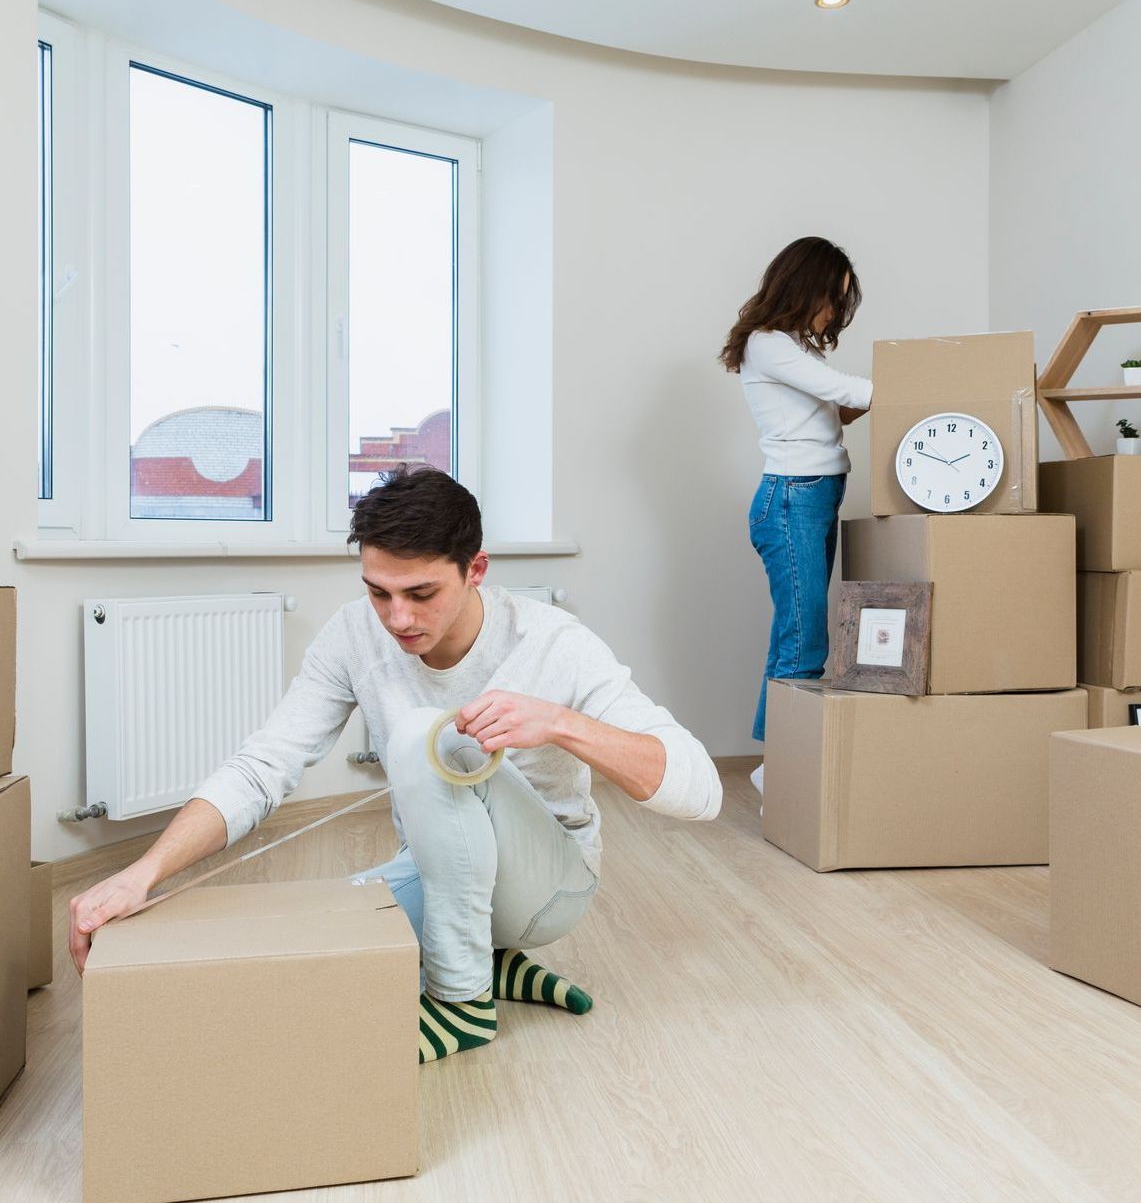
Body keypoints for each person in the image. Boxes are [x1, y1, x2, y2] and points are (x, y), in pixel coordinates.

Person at [69, 466, 722, 1063]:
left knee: (420, 736)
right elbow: (263, 766)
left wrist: (562, 723)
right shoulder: (355, 634)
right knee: (307, 946)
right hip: (445, 876)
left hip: (552, 887)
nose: (397, 618)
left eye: (420, 592)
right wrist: (142, 873)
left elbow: (700, 790)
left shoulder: (554, 643)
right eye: (379, 593)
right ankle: (493, 962)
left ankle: (463, 999)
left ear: (477, 569)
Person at [720, 237, 871, 796]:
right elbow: (844, 391)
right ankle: (780, 769)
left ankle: (776, 764)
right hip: (792, 498)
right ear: (808, 288)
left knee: (802, 634)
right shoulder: (768, 344)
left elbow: (838, 407)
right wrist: (913, 383)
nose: (836, 311)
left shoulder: (796, 351)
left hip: (814, 494)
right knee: (803, 638)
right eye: (834, 297)